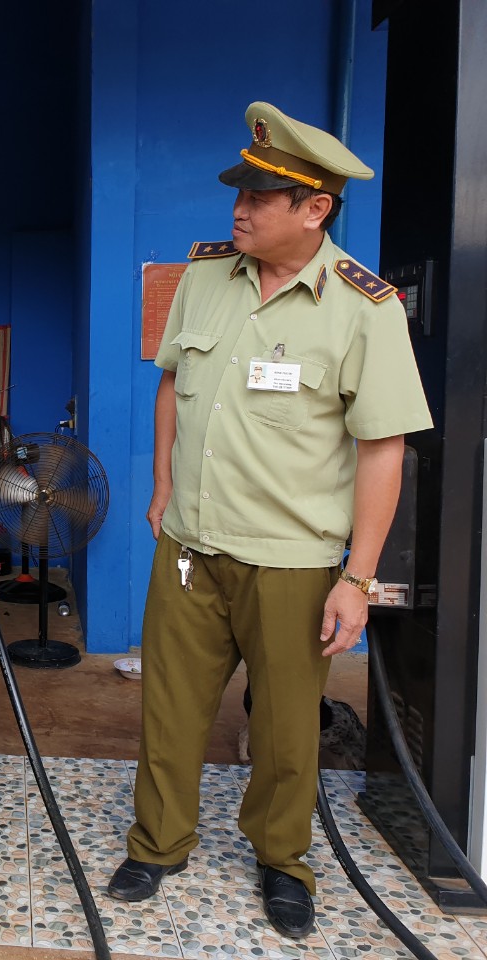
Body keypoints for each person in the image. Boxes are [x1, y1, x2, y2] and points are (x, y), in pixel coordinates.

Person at [109, 103, 432, 938]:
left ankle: (283, 860)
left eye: (259, 197)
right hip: (191, 546)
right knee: (170, 710)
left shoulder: (364, 307)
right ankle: (158, 843)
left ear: (315, 208)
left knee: (288, 729)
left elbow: (383, 449)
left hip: (293, 560)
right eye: (239, 193)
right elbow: (172, 384)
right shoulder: (204, 278)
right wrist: (162, 488)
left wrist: (358, 578)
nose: (239, 209)